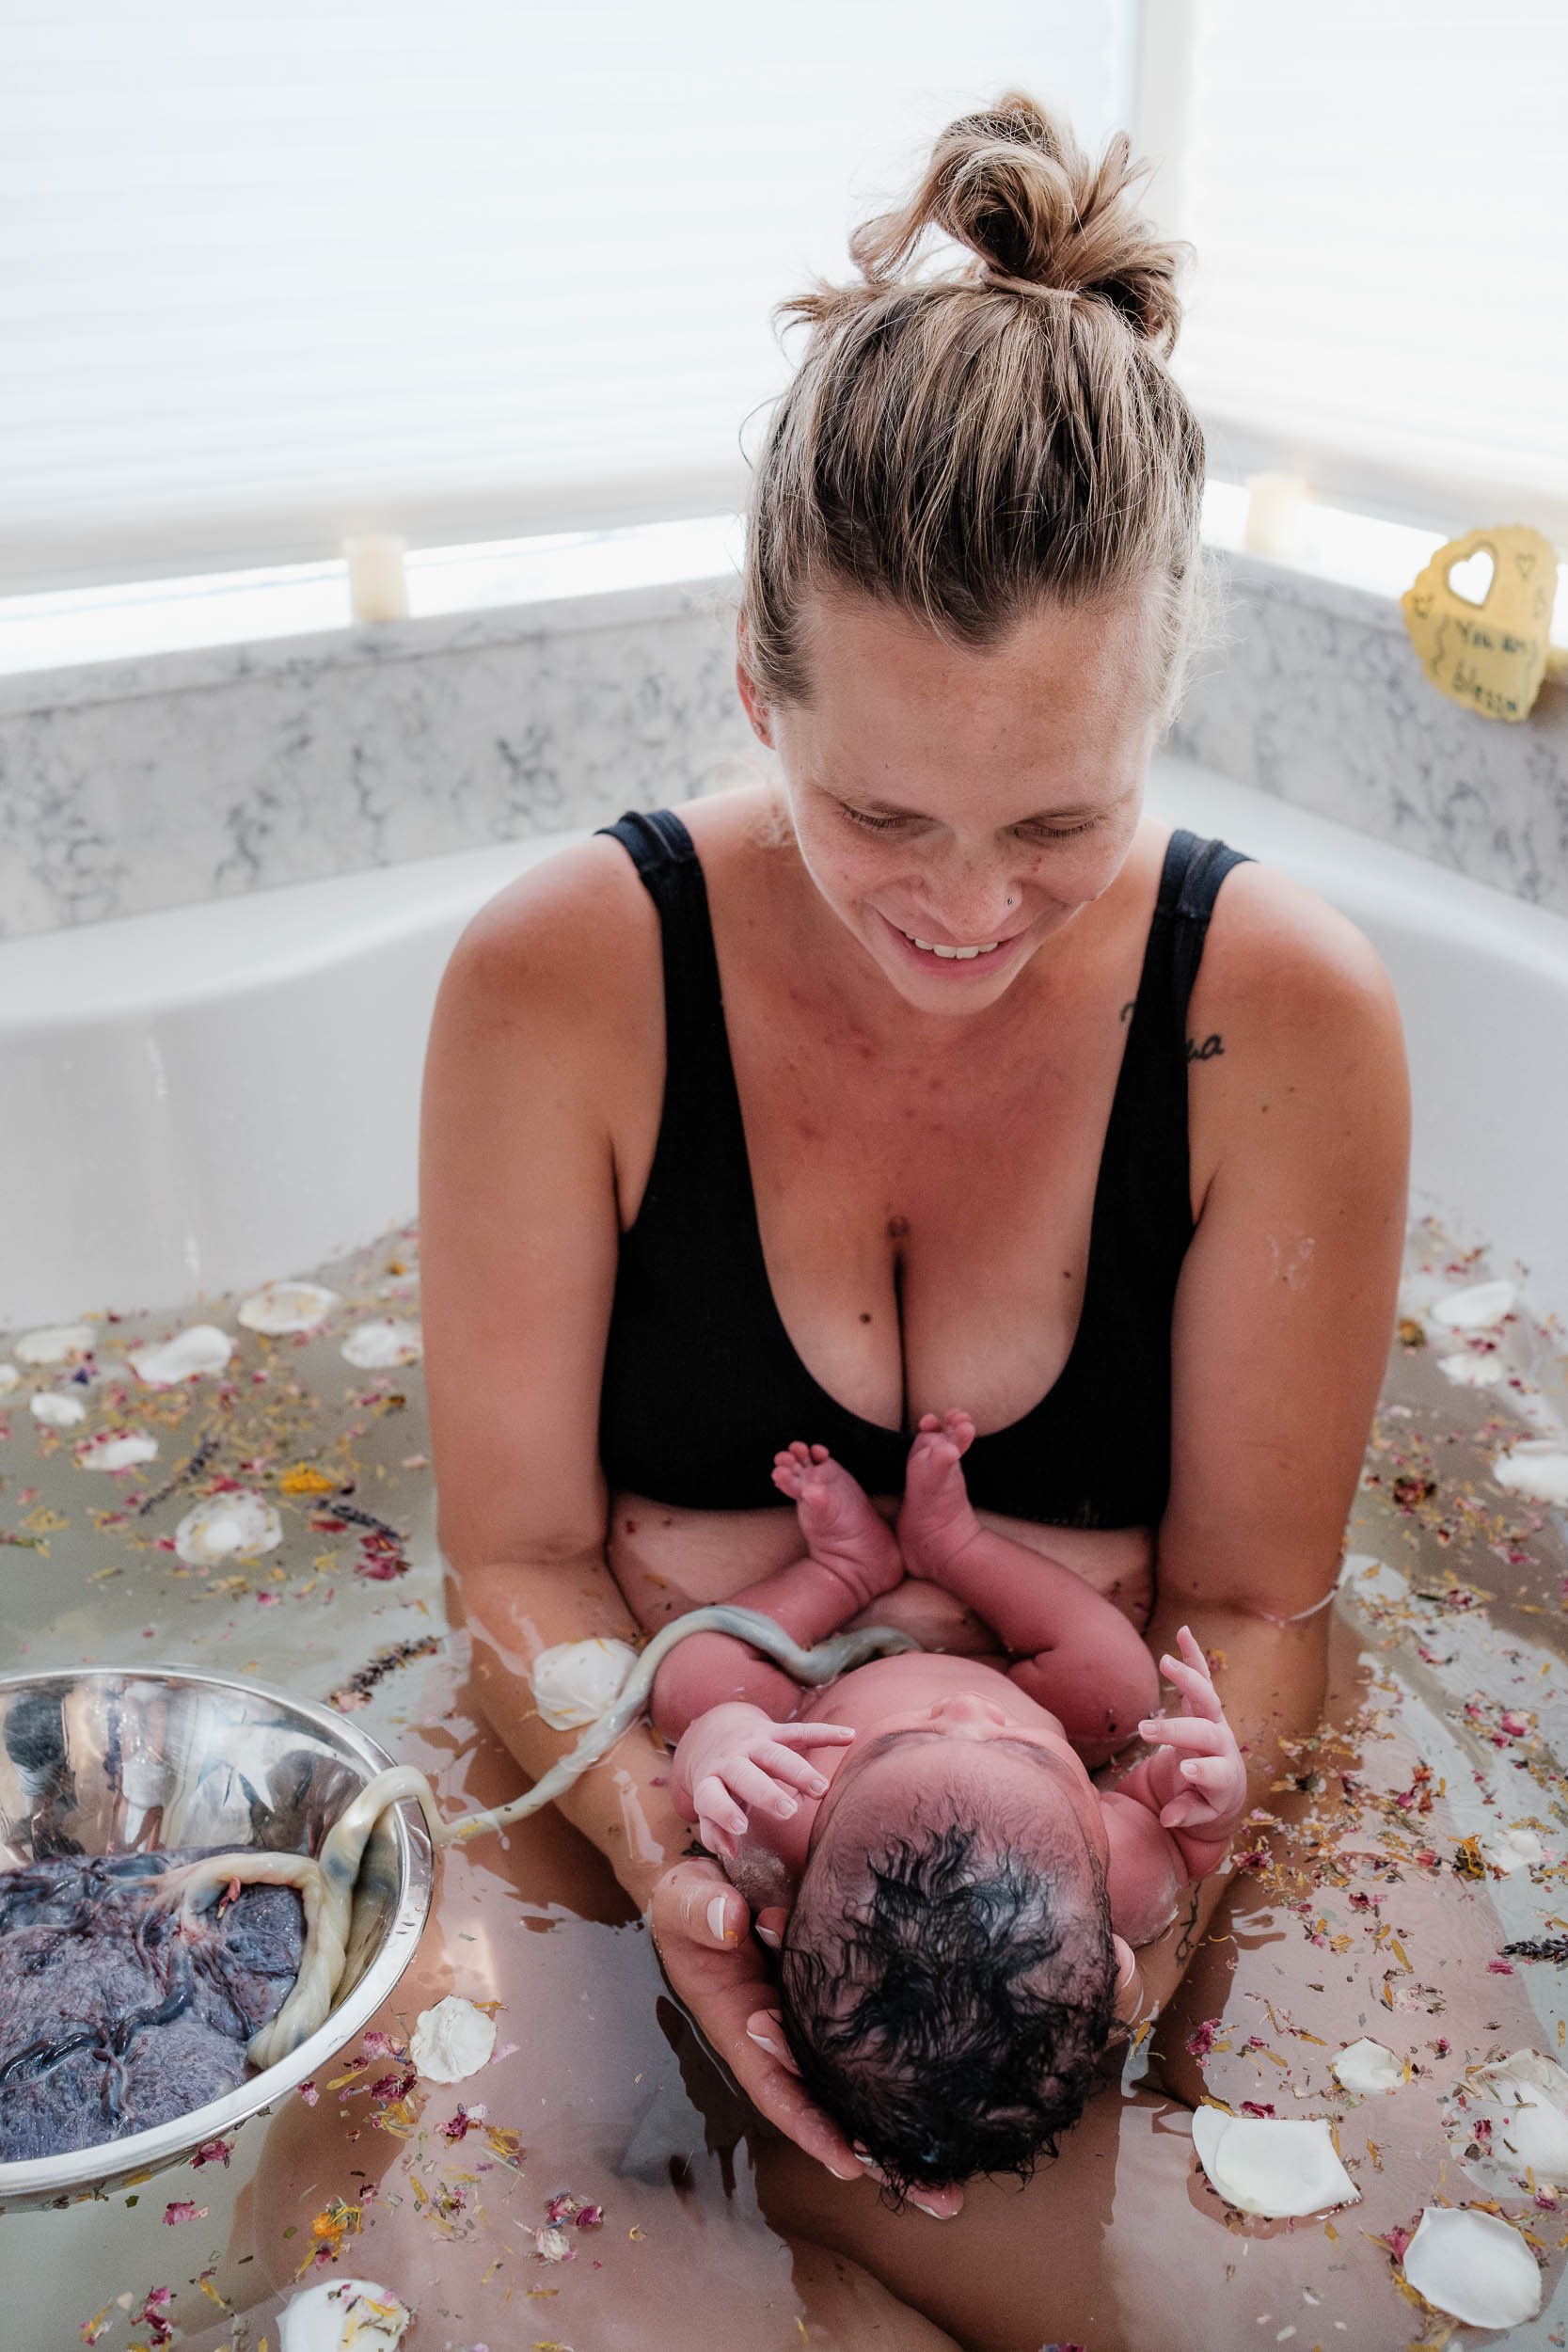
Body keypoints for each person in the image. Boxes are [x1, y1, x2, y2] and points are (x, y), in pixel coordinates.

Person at [420, 87, 1408, 2241]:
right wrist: (657, 1847)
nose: (968, 914)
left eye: (1062, 825)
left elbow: (1253, 1605)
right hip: (640, 1805)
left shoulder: (1285, 1021)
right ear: (756, 690)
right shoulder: (562, 985)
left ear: (1164, 703)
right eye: (885, 821)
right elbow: (507, 1560)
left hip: (1076, 1896)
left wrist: (1127, 1916)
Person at [651, 1420, 1249, 2199]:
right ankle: (954, 1545)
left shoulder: (783, 1820)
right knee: (1117, 1689)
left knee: (690, 1687)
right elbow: (1175, 1834)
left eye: (901, 1745)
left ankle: (841, 1569)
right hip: (1039, 1689)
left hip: (815, 1704)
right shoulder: (1120, 1875)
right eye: (1026, 1753)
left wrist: (724, 1746)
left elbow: (695, 1770)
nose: (967, 1708)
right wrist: (1203, 1793)